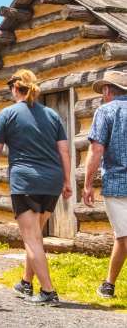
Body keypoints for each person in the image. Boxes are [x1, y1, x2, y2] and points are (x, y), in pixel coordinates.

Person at [0, 69, 72, 306]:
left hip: (25, 182)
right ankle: (26, 282)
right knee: (35, 235)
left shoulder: (8, 114)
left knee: (32, 238)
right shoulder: (52, 115)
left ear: (15, 87)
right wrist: (66, 180)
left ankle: (48, 292)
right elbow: (64, 151)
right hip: (52, 183)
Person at [83, 70, 127, 299]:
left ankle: (109, 285)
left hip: (118, 183)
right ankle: (109, 284)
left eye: (103, 91)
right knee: (123, 237)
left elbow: (96, 150)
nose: (102, 95)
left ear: (108, 90)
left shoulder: (105, 111)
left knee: (123, 236)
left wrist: (88, 184)